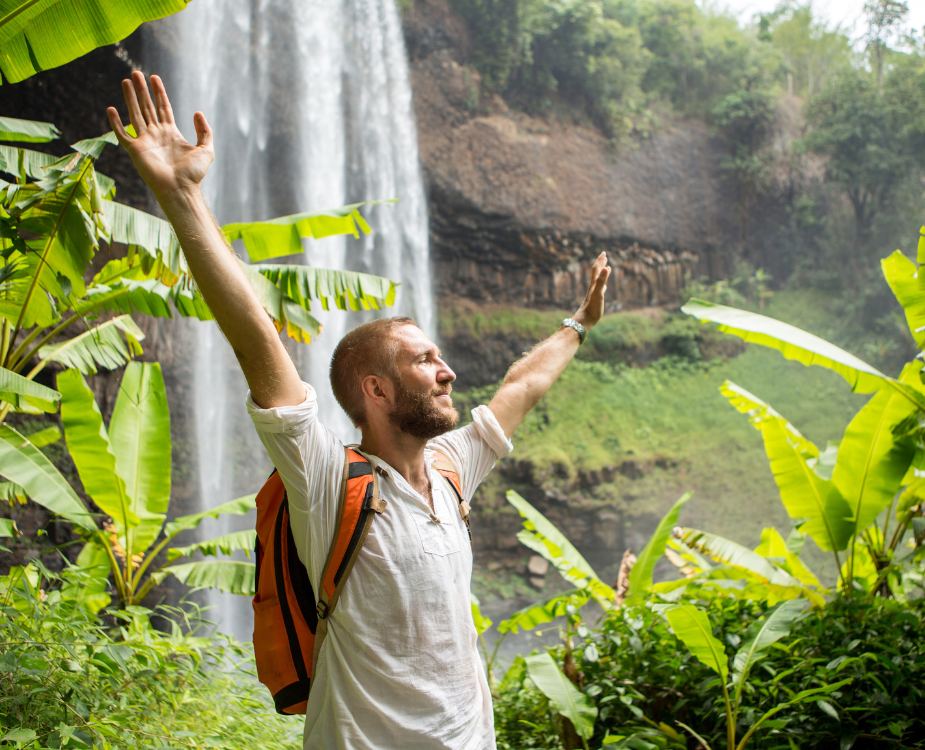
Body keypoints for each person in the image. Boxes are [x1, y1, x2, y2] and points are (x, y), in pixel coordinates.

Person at [108, 71, 611, 750]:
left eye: (441, 359)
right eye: (424, 361)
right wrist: (183, 199)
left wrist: (578, 323)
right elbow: (257, 337)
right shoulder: (326, 484)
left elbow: (520, 387)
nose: (448, 371)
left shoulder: (451, 468)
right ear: (374, 391)